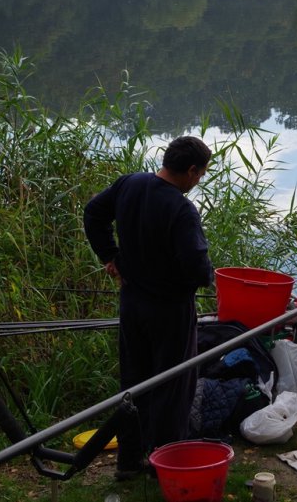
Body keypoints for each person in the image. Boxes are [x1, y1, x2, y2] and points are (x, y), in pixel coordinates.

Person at [83, 136, 215, 479]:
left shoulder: (130, 183)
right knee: (173, 385)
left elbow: (93, 212)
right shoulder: (182, 209)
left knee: (134, 380)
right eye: (201, 174)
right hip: (170, 310)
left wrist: (109, 255)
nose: (198, 180)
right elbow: (198, 267)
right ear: (191, 170)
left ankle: (128, 460)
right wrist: (208, 277)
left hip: (132, 302)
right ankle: (165, 464)